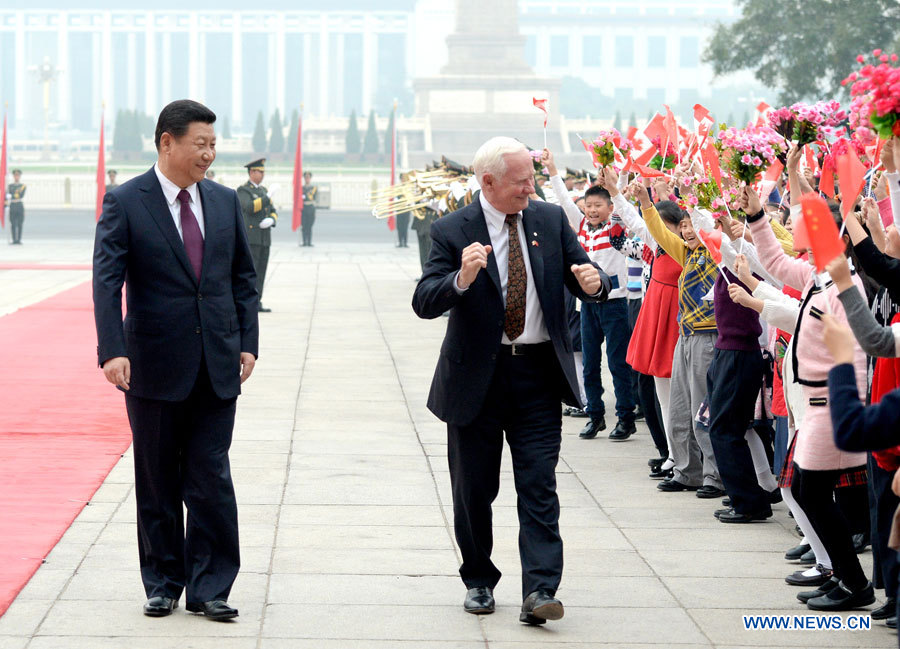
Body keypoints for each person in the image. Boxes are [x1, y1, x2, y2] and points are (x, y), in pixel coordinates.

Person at [412, 136, 610, 626]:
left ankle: (541, 588)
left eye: (532, 178)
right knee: (473, 489)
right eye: (522, 181)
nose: (531, 188)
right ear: (489, 182)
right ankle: (479, 578)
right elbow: (424, 300)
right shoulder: (452, 229)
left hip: (538, 375)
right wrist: (460, 278)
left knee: (539, 484)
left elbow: (583, 271)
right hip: (477, 379)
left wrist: (596, 284)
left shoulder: (546, 219)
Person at [93, 99, 259, 621]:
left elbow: (242, 280)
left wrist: (247, 342)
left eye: (213, 145)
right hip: (152, 363)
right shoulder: (126, 200)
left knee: (211, 477)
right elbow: (106, 279)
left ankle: (211, 588)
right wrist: (112, 349)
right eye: (200, 144)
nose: (209, 154)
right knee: (159, 478)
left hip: (217, 361)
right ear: (167, 142)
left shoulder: (225, 200)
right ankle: (163, 580)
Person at [237, 158, 277, 313]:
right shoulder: (243, 191)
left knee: (261, 271)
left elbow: (273, 210)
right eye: (259, 171)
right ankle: (248, 302)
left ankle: (258, 301)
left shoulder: (262, 191)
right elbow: (250, 207)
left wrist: (272, 220)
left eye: (263, 172)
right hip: (252, 238)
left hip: (264, 238)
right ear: (251, 172)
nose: (262, 174)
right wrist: (268, 196)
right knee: (251, 272)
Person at [7, 169, 25, 244]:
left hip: (19, 205)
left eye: (18, 175)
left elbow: (20, 195)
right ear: (13, 176)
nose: (16, 177)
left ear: (19, 176)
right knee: (13, 223)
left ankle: (19, 240)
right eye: (15, 175)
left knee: (20, 223)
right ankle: (14, 239)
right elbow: (8, 195)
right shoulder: (9, 186)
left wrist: (11, 195)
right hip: (12, 205)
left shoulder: (22, 186)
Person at [301, 171, 317, 246]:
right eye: (306, 178)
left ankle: (309, 242)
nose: (307, 179)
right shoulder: (301, 188)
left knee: (309, 226)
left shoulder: (313, 188)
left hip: (310, 207)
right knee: (304, 226)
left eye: (308, 178)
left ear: (310, 178)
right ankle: (304, 242)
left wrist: (305, 196)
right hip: (303, 208)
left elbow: (314, 197)